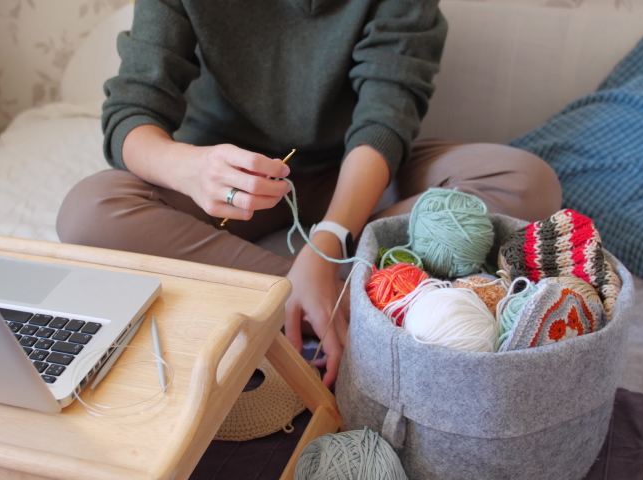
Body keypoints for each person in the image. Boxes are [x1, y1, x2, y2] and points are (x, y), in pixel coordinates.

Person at [56, 0, 562, 388]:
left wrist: (325, 245)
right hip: (232, 183)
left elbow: (385, 118)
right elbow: (131, 112)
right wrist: (188, 167)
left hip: (358, 174)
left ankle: (318, 289)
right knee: (88, 213)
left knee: (526, 183)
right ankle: (316, 296)